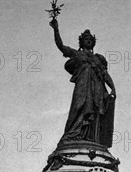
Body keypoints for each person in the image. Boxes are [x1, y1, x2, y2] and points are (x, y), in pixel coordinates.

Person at [49, 18, 116, 148]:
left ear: (93, 43)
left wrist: (113, 87)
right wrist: (56, 29)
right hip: (82, 88)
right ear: (81, 41)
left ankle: (92, 139)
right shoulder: (76, 54)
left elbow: (105, 75)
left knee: (95, 113)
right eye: (86, 39)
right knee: (78, 108)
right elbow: (61, 46)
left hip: (97, 90)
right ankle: (72, 135)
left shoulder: (98, 59)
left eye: (91, 40)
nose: (88, 41)